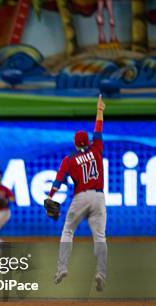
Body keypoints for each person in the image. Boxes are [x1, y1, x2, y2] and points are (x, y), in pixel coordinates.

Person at [46, 95, 107, 292]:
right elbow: (98, 129)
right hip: (98, 197)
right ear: (87, 142)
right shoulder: (96, 148)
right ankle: (101, 273)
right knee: (100, 236)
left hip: (81, 197)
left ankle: (62, 268)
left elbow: (58, 180)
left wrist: (50, 196)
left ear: (75, 144)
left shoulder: (69, 159)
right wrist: (99, 111)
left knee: (68, 231)